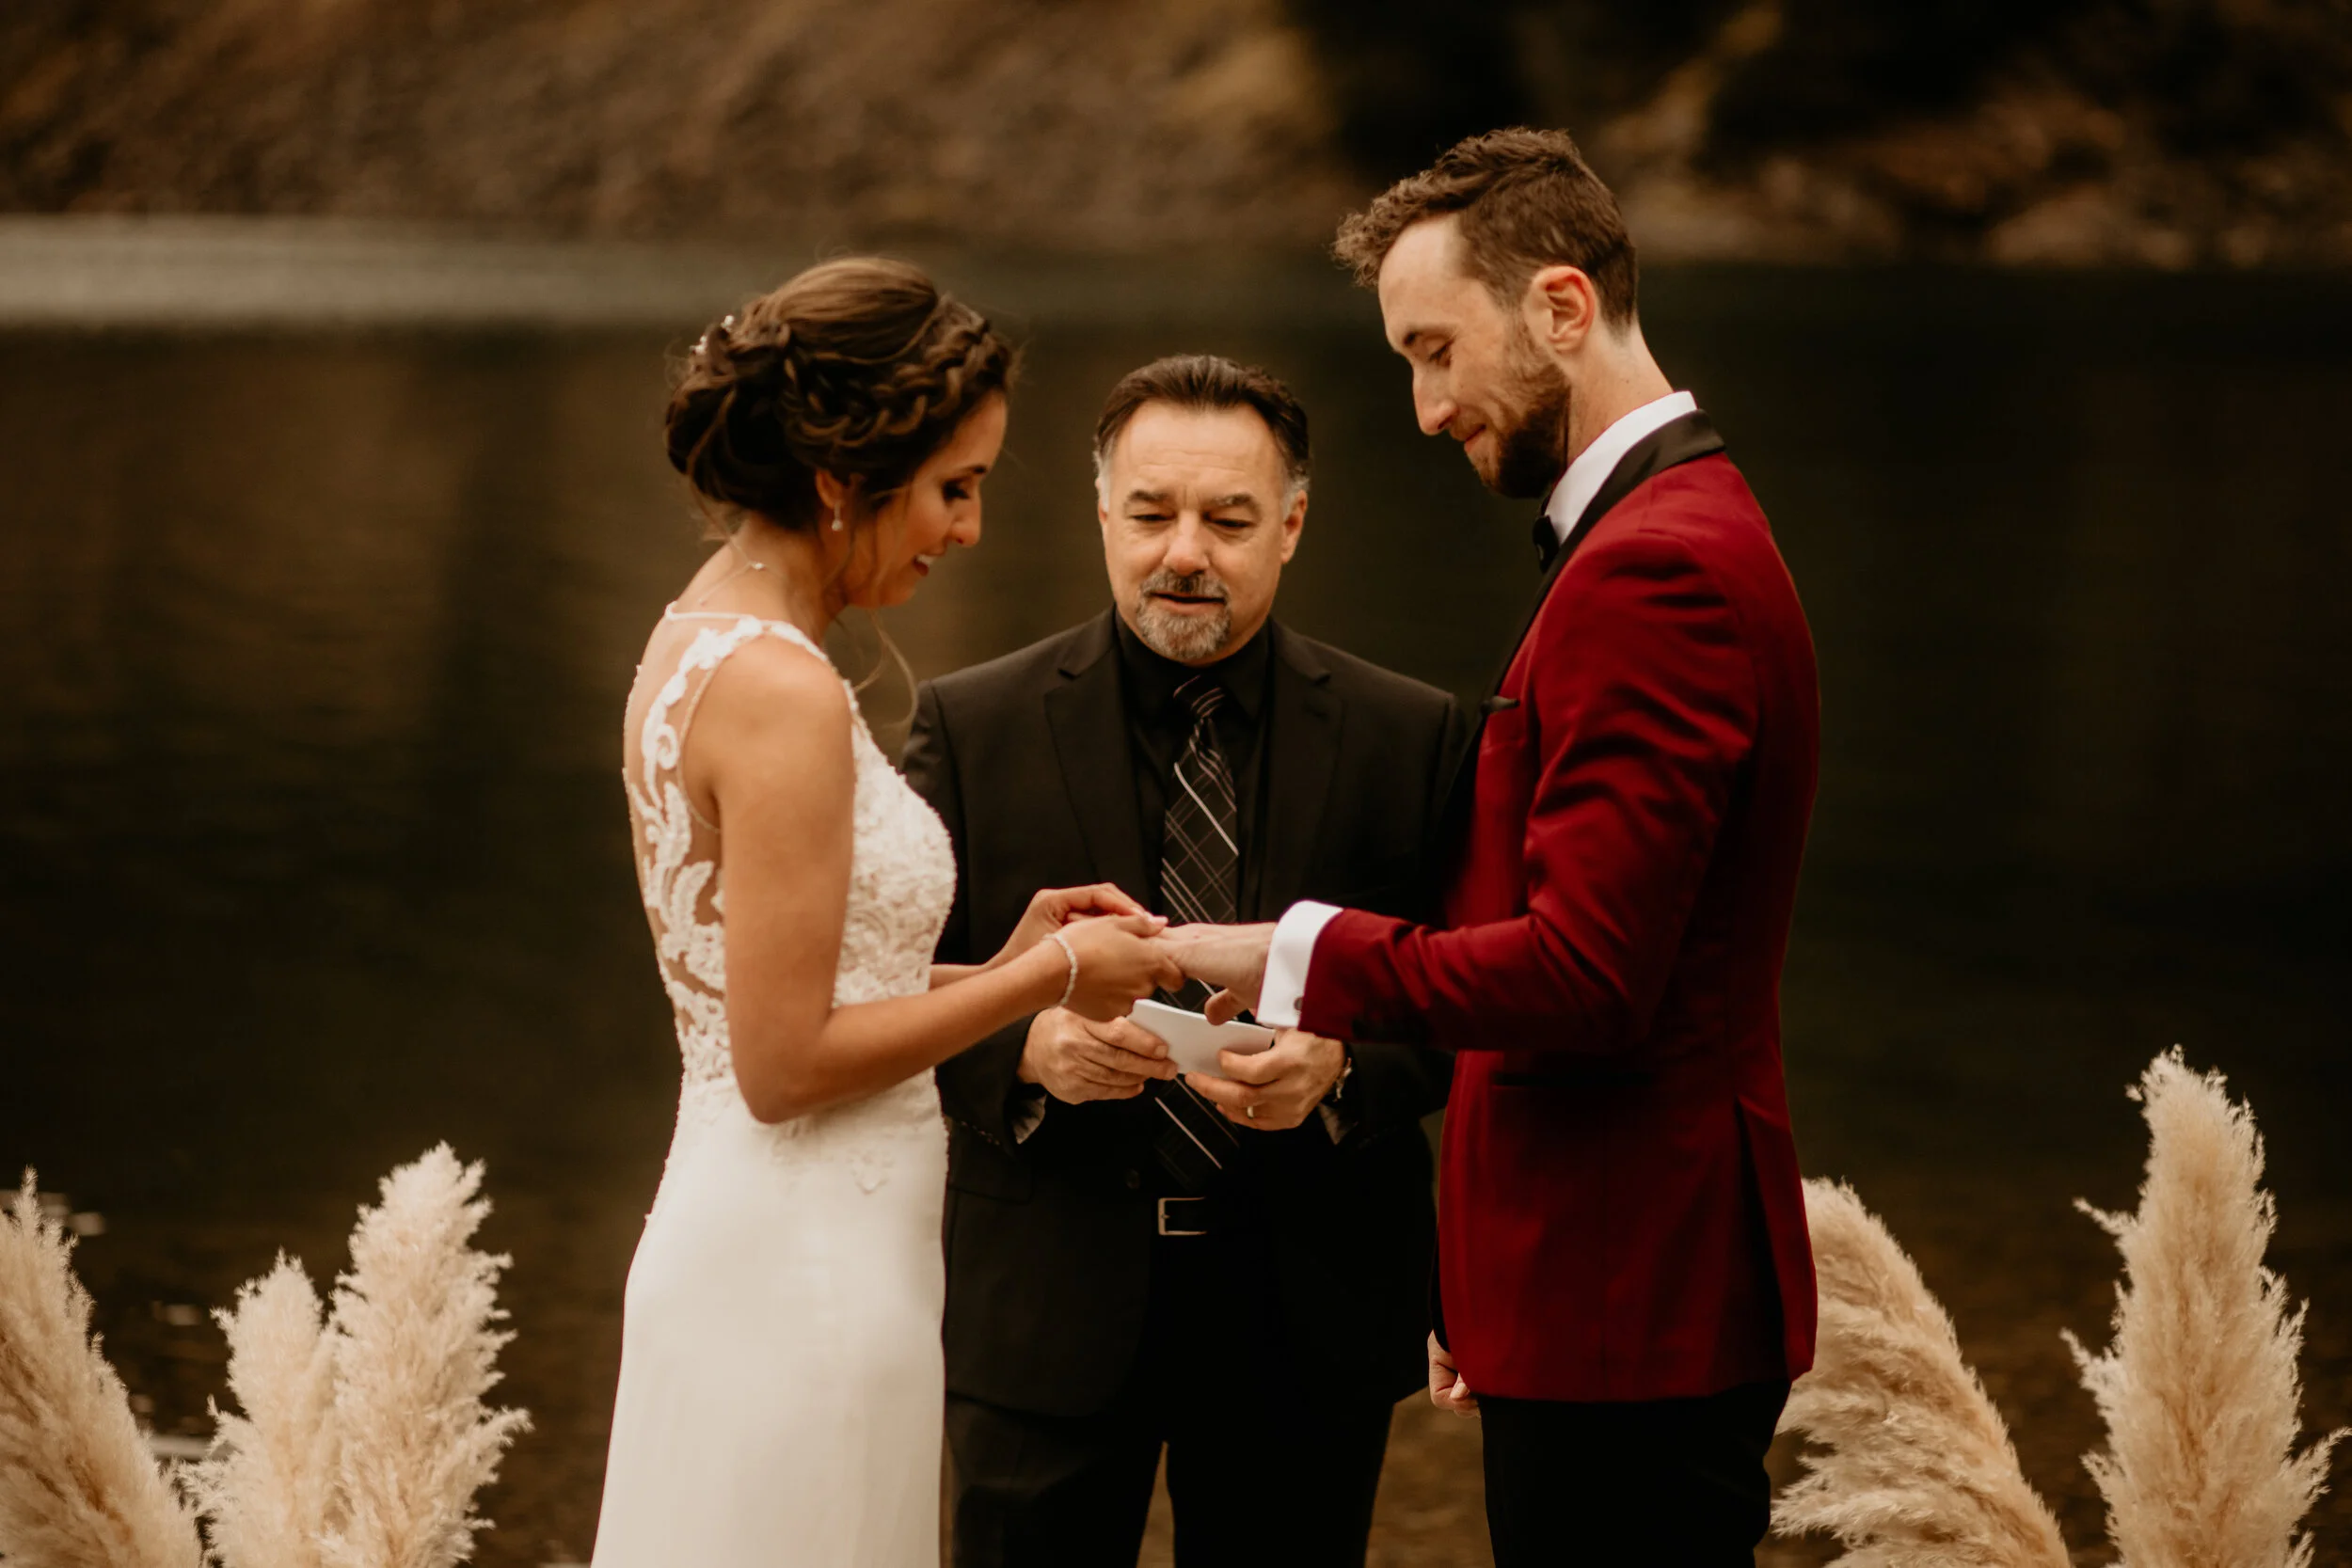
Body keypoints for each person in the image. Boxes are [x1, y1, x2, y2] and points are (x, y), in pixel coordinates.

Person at [1165, 130, 1822, 1565]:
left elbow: (1590, 974)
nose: (1421, 405)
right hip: (1599, 1290)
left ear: (1562, 308)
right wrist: (1482, 1276)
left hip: (1632, 1298)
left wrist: (1293, 950)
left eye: (1435, 349)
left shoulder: (1655, 571)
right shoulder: (1665, 535)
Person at [592, 258, 1183, 1568]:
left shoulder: (697, 638)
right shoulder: (781, 691)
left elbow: (807, 986)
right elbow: (787, 1062)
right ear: (840, 480)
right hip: (803, 1274)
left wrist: (1003, 955)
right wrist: (1049, 979)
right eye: (953, 488)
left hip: (778, 1241)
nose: (967, 527)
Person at [901, 355, 1459, 1567]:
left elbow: (1472, 994)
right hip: (1039, 1304)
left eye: (1229, 519)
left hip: (1307, 1306)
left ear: (1294, 525)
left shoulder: (1410, 736)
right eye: (1151, 515)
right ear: (1103, 514)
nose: (1183, 553)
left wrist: (1346, 1066)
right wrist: (1026, 1047)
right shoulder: (971, 724)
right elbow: (877, 1003)